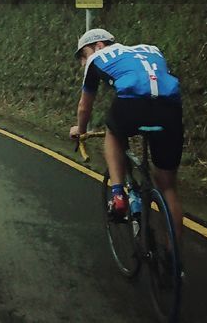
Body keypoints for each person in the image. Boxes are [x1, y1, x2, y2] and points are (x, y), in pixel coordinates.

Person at [68, 28, 185, 252]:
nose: (84, 62)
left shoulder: (96, 58)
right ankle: (174, 260)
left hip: (132, 105)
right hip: (170, 109)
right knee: (168, 186)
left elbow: (85, 106)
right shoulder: (152, 50)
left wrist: (81, 130)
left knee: (113, 133)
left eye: (84, 54)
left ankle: (118, 194)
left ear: (98, 45)